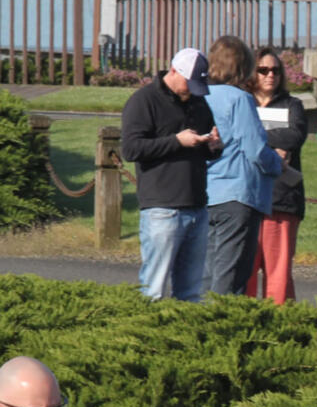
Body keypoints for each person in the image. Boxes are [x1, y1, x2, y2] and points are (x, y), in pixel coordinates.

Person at [120, 47, 221, 302]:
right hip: (162, 208)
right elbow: (131, 149)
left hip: (197, 206)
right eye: (189, 83)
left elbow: (204, 147)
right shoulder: (143, 100)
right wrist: (176, 141)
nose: (192, 90)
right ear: (174, 71)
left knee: (190, 292)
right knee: (152, 290)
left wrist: (213, 146)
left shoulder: (198, 101)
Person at [203, 35, 283, 296]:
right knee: (231, 278)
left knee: (207, 275)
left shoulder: (201, 97)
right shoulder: (239, 99)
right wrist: (277, 164)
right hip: (237, 195)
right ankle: (225, 332)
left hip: (207, 192)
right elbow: (255, 149)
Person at [244, 47, 307, 304]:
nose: (270, 75)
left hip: (281, 200)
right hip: (246, 199)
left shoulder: (293, 105)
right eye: (263, 70)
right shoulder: (242, 102)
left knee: (278, 278)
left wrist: (254, 139)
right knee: (244, 274)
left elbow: (294, 136)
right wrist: (270, 145)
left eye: (276, 70)